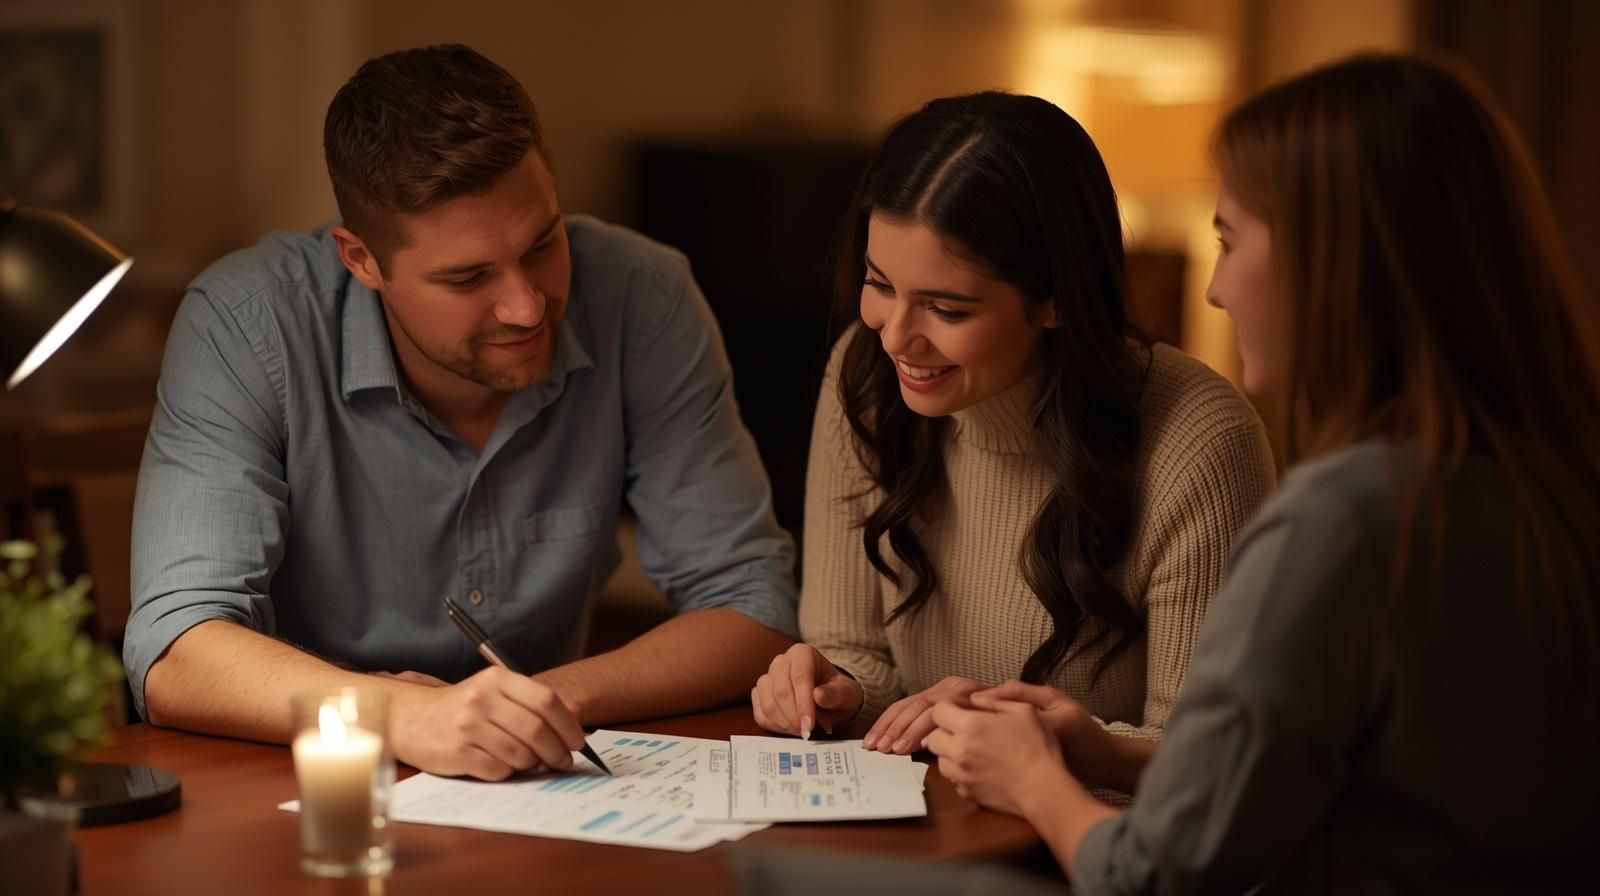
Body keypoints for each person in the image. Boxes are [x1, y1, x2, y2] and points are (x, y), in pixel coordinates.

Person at [927, 54, 1600, 892]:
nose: (1212, 290)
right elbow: (1343, 790)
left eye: (1229, 240)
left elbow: (1159, 874)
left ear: (1333, 262)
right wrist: (1103, 751)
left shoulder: (1345, 521)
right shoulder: (1547, 484)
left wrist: (1035, 781)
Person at [124, 44, 798, 781]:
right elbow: (176, 651)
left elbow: (752, 603)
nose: (527, 305)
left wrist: (529, 703)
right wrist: (398, 714)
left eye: (543, 243)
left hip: (533, 787)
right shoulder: (247, 324)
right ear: (362, 261)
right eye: (468, 276)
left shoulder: (644, 298)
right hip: (303, 794)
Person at [750, 91, 1276, 782]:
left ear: (1056, 297)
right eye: (881, 284)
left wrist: (1032, 735)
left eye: (946, 307)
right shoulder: (866, 376)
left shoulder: (1200, 442)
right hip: (921, 829)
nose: (896, 336)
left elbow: (1212, 766)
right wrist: (831, 687)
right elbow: (855, 651)